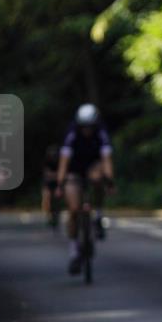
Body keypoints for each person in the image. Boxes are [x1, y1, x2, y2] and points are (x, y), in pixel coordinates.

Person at [55, 104, 115, 274]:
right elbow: (63, 162)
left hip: (92, 167)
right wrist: (60, 184)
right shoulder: (72, 133)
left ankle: (98, 214)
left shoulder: (101, 132)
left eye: (90, 127)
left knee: (98, 178)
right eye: (84, 127)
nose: (87, 130)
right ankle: (74, 251)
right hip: (74, 170)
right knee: (73, 210)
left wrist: (110, 181)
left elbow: (106, 160)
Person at [41, 144, 61, 227]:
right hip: (47, 183)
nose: (53, 156)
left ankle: (56, 215)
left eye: (55, 155)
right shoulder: (46, 161)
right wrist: (57, 175)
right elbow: (46, 174)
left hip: (58, 183)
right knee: (46, 198)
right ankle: (48, 216)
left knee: (57, 199)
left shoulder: (60, 161)